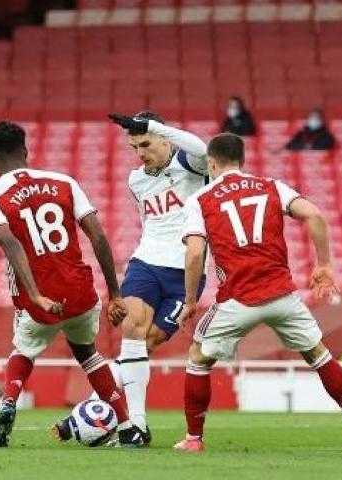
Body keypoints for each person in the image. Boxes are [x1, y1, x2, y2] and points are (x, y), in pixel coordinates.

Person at [173, 133, 342, 453]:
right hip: (282, 296)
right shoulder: (271, 186)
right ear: (242, 160)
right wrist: (324, 265)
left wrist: (191, 301)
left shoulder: (201, 200)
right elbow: (315, 215)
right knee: (318, 355)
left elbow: (195, 254)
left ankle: (194, 439)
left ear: (211, 163)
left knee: (198, 359)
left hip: (237, 299)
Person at [0, 121, 144, 448]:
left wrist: (36, 295)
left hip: (40, 301)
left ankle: (8, 404)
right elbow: (98, 235)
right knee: (88, 354)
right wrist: (116, 294)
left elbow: (10, 244)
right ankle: (126, 426)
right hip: (81, 293)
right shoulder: (63, 182)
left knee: (24, 350)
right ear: (25, 151)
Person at [55, 111, 209, 443]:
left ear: (164, 138)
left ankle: (90, 409)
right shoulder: (136, 180)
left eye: (146, 143)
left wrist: (155, 127)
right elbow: (150, 223)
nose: (140, 153)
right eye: (134, 146)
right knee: (132, 331)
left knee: (147, 342)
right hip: (146, 263)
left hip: (187, 272)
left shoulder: (191, 165)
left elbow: (201, 147)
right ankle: (136, 425)